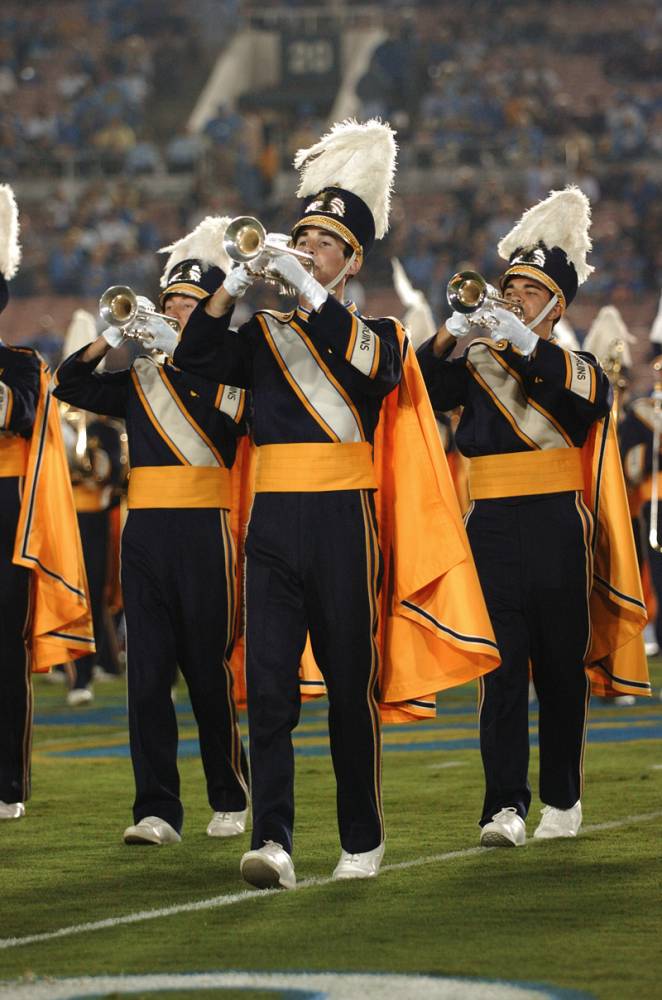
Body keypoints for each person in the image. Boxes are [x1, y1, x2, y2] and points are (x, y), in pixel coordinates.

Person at [173, 120, 500, 889]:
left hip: (344, 522)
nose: (304, 250)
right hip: (273, 524)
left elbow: (375, 374)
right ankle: (275, 841)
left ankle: (362, 836)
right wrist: (233, 283)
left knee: (351, 685)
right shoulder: (258, 335)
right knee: (274, 690)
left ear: (352, 261)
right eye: (302, 237)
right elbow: (191, 363)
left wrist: (311, 291)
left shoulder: (379, 331)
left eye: (323, 244)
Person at [417, 186, 649, 849]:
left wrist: (521, 340)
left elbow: (591, 404)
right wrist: (450, 333)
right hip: (488, 523)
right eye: (510, 283)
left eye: (529, 287)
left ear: (556, 303)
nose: (513, 294)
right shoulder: (476, 363)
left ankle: (563, 799)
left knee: (558, 668)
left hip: (555, 526)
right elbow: (420, 389)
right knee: (500, 668)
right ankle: (503, 806)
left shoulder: (574, 365)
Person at [52, 217, 250, 845]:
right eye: (170, 304)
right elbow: (70, 384)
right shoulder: (139, 376)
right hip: (146, 535)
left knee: (207, 669)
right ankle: (157, 809)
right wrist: (114, 331)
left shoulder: (232, 377)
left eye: (191, 305)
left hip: (205, 532)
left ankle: (230, 794)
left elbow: (239, 427)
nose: (179, 314)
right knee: (147, 677)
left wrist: (194, 357)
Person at [0, 184, 94, 820]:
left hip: (5, 513)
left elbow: (14, 417)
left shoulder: (20, 365)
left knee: (5, 651)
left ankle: (6, 782)